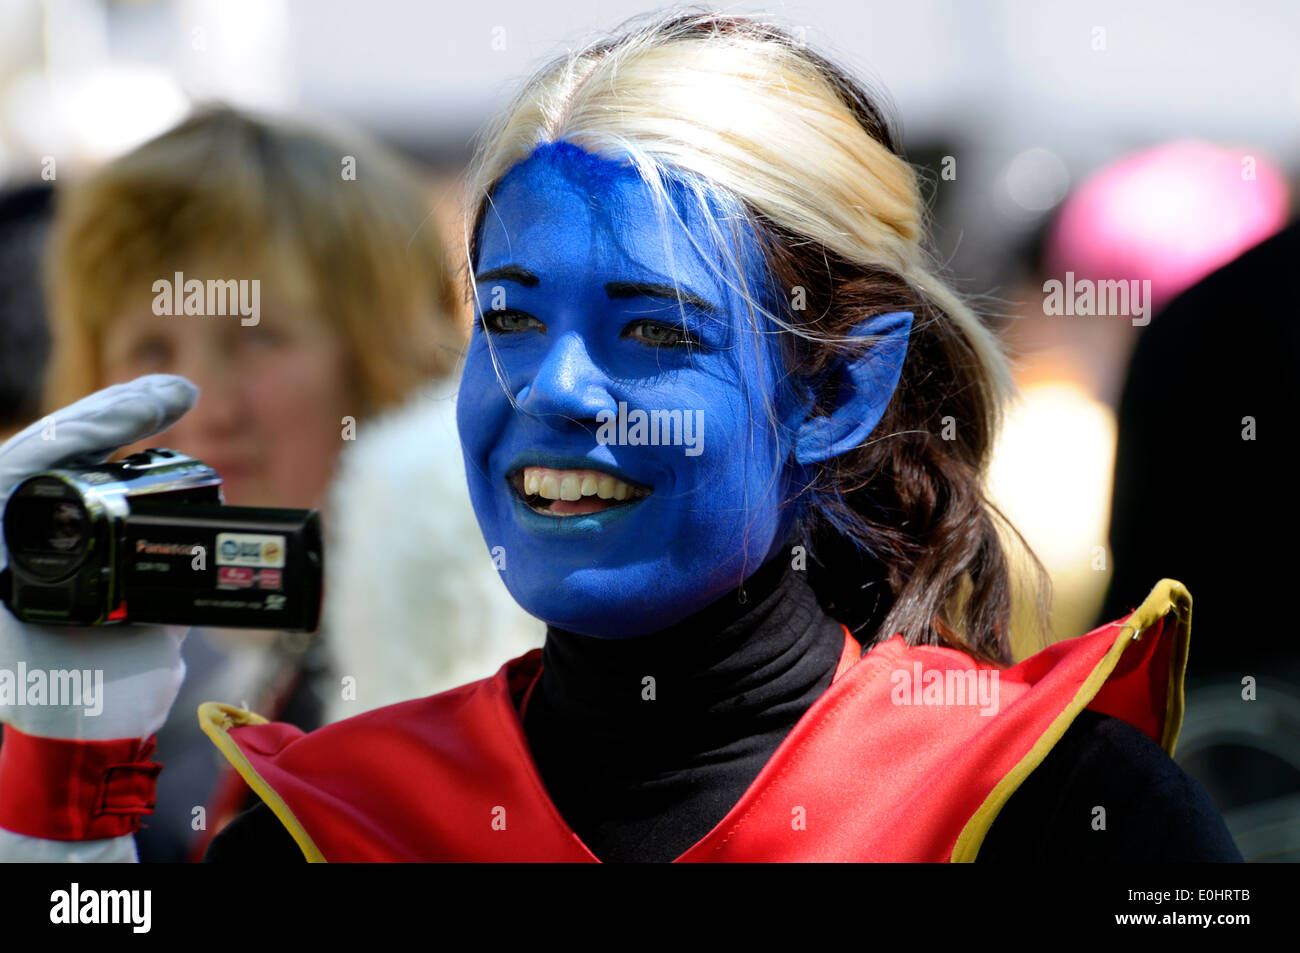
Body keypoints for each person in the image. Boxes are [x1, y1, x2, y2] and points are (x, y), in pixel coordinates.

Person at [0, 12, 1240, 862]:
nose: (556, 388)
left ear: (838, 393)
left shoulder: (1059, 807)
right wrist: (57, 796)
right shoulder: (332, 823)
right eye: (510, 317)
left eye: (655, 332)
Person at [6, 105, 538, 862]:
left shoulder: (476, 627)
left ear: (375, 356)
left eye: (257, 337)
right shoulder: (202, 661)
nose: (205, 405)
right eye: (150, 343)